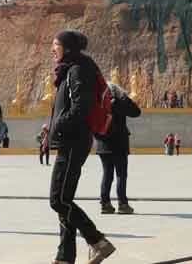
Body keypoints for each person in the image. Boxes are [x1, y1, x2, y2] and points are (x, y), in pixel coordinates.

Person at [47, 29, 115, 264]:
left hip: (74, 141)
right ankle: (65, 256)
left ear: (66, 47)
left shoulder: (77, 70)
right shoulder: (70, 70)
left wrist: (58, 124)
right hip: (70, 139)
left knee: (59, 200)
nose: (52, 49)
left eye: (55, 44)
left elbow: (81, 108)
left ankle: (97, 241)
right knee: (64, 200)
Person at [97, 80, 142, 215]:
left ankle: (105, 204)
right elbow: (136, 112)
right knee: (121, 174)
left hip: (103, 143)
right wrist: (123, 97)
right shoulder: (119, 102)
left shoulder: (98, 102)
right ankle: (122, 204)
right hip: (119, 143)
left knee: (107, 174)